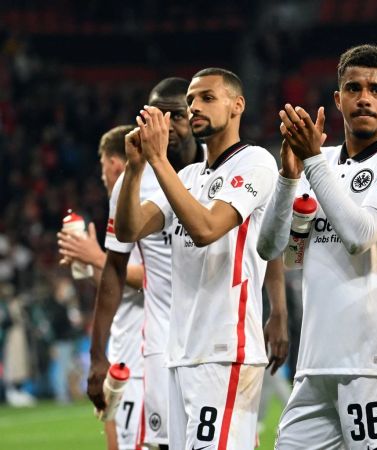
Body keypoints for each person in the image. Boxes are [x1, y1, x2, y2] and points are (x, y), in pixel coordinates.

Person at [260, 44, 377, 449]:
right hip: (316, 364)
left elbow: (360, 234)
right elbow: (274, 249)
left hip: (376, 362)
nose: (365, 98)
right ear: (338, 99)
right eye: (353, 88)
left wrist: (312, 162)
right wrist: (288, 178)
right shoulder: (322, 165)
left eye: (376, 88)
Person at [114, 68, 280, 450]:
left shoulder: (254, 162)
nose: (194, 107)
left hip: (225, 350)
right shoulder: (187, 175)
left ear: (237, 105)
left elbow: (206, 229)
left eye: (207, 97)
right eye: (190, 100)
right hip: (181, 353)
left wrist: (157, 161)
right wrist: (136, 167)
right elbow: (129, 229)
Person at [86, 78, 201, 450]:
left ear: (194, 117)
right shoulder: (131, 183)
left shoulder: (220, 172)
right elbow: (115, 271)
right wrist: (97, 355)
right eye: (157, 116)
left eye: (177, 116)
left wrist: (276, 310)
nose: (166, 126)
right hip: (160, 347)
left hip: (217, 342)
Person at [59, 125, 146, 450]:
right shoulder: (119, 212)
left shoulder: (144, 206)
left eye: (102, 167)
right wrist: (93, 264)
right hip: (121, 354)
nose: (102, 176)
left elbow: (155, 277)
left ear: (114, 164)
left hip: (141, 360)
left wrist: (98, 257)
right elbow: (121, 287)